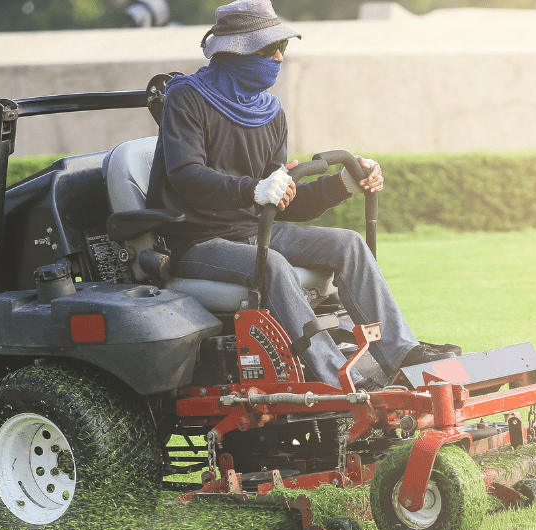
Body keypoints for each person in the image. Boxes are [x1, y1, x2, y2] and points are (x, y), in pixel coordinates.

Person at [148, 0, 458, 389]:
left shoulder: (270, 112)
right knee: (274, 265)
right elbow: (186, 175)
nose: (278, 56)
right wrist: (254, 189)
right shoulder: (186, 97)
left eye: (283, 47)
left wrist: (343, 184)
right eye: (268, 48)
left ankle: (401, 353)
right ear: (235, 52)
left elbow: (279, 201)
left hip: (254, 229)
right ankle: (339, 379)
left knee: (349, 243)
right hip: (197, 239)